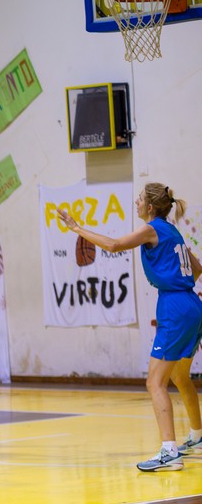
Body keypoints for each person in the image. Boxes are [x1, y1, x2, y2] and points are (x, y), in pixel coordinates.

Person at [59, 183, 202, 472]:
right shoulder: (172, 232)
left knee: (154, 382)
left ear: (150, 207)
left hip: (175, 307)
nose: (135, 203)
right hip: (191, 304)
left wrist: (76, 228)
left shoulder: (153, 229)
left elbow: (112, 245)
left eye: (139, 199)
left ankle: (168, 451)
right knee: (180, 377)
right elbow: (197, 268)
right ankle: (197, 436)